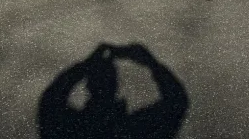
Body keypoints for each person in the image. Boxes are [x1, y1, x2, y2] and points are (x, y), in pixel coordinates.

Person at [37, 43, 188, 139]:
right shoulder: (134, 129)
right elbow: (176, 102)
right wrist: (150, 63)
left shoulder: (71, 128)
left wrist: (84, 66)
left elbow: (50, 101)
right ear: (116, 83)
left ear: (87, 84)